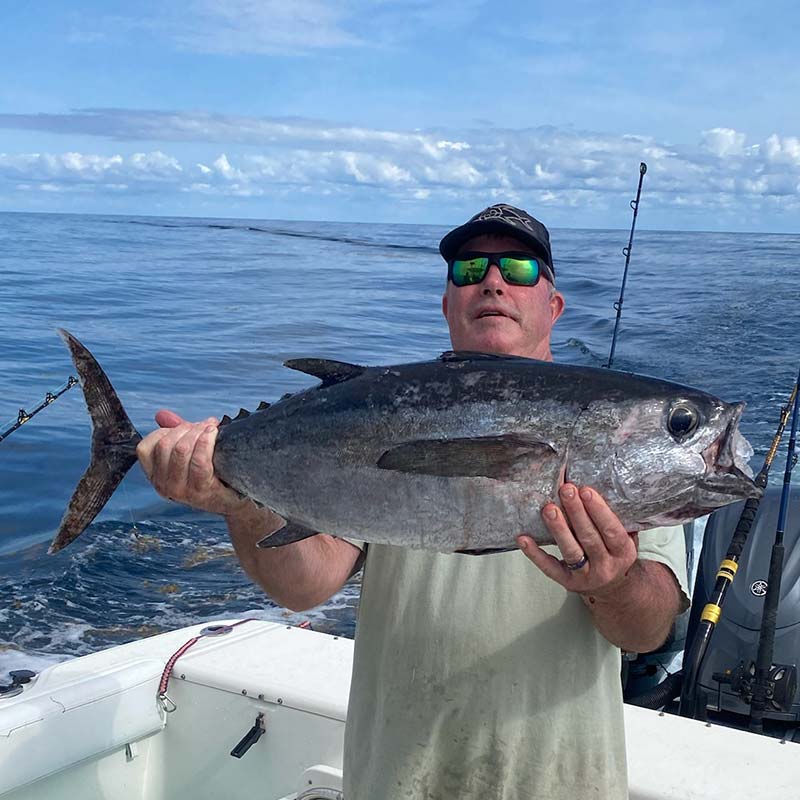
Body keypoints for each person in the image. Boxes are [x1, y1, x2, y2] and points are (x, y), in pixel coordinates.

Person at [137, 204, 689, 799]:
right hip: (396, 780)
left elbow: (649, 630)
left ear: (553, 306)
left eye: (520, 268)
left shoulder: (625, 453)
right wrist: (240, 501)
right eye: (471, 267)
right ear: (448, 304)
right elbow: (305, 586)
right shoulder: (383, 412)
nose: (493, 281)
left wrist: (613, 583)